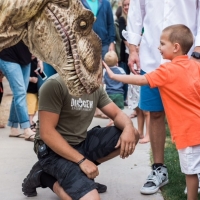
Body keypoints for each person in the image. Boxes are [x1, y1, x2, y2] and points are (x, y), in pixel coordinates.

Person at [104, 24, 200, 200]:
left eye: (162, 44)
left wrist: (114, 76)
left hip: (188, 133)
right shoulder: (196, 66)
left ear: (176, 47)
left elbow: (141, 79)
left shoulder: (167, 70)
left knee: (191, 173)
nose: (158, 47)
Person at [22, 73, 139, 200]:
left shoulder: (94, 87)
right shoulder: (55, 84)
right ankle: (43, 177)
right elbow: (47, 133)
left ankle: (80, 176)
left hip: (80, 143)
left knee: (133, 134)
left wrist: (128, 127)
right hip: (52, 151)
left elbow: (117, 114)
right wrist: (82, 161)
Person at [123, 0, 200, 194]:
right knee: (155, 113)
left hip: (188, 60)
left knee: (195, 114)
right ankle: (159, 169)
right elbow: (136, 11)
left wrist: (198, 50)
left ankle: (196, 174)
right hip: (152, 58)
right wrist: (133, 48)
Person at [119, 0, 150, 143]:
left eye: (128, 4)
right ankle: (140, 132)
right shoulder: (123, 21)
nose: (127, 7)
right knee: (137, 105)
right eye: (124, 5)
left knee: (147, 106)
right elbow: (126, 40)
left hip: (146, 60)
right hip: (133, 61)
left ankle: (148, 133)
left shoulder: (146, 22)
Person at [81, 0, 116, 119]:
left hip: (103, 43)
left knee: (99, 76)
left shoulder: (105, 3)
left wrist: (112, 42)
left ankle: (98, 108)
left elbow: (110, 23)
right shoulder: (80, 1)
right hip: (85, 42)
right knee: (85, 75)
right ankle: (87, 107)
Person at [0, 40, 36, 140]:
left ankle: (13, 127)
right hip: (7, 57)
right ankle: (26, 129)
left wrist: (38, 58)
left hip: (25, 58)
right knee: (20, 92)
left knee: (20, 93)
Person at [103, 50, 125, 126]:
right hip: (119, 93)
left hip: (109, 93)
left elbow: (103, 81)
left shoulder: (105, 71)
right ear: (117, 60)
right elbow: (124, 80)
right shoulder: (121, 70)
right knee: (119, 110)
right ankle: (118, 122)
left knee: (111, 110)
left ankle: (111, 120)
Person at [26, 55, 39, 135]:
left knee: (35, 108)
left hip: (36, 89)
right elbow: (22, 77)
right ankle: (30, 124)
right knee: (31, 108)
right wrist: (31, 79)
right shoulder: (26, 63)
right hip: (29, 90)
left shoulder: (37, 62)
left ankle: (33, 123)